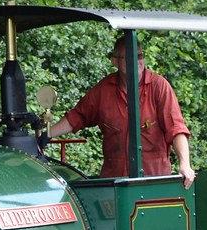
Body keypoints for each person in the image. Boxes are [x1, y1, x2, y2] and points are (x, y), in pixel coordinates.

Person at [45, 36, 196, 188]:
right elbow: (77, 116)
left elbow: (176, 128)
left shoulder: (159, 87)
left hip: (154, 183)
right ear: (114, 61)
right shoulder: (104, 89)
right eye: (129, 57)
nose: (136, 61)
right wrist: (47, 135)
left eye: (139, 56)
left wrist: (185, 164)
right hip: (115, 183)